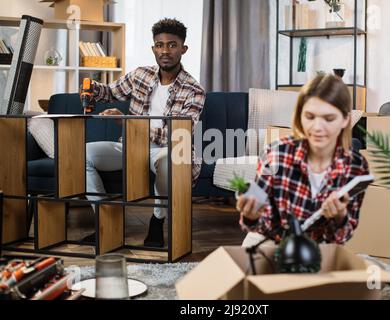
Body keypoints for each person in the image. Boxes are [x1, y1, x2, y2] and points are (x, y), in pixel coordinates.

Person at [83, 18, 205, 247]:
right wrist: (92, 87)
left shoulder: (194, 90)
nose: (165, 51)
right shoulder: (140, 75)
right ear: (153, 48)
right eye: (159, 45)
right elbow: (111, 92)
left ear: (183, 49)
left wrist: (128, 122)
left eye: (172, 45)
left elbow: (178, 134)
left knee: (169, 162)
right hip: (131, 146)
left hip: (169, 150)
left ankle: (157, 223)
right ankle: (105, 223)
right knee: (82, 154)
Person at [237, 74, 369, 245]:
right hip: (270, 240)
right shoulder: (276, 154)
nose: (317, 127)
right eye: (310, 117)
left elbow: (343, 236)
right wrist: (251, 217)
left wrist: (340, 217)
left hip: (318, 247)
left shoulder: (356, 166)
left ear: (345, 120)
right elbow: (259, 226)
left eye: (329, 119)